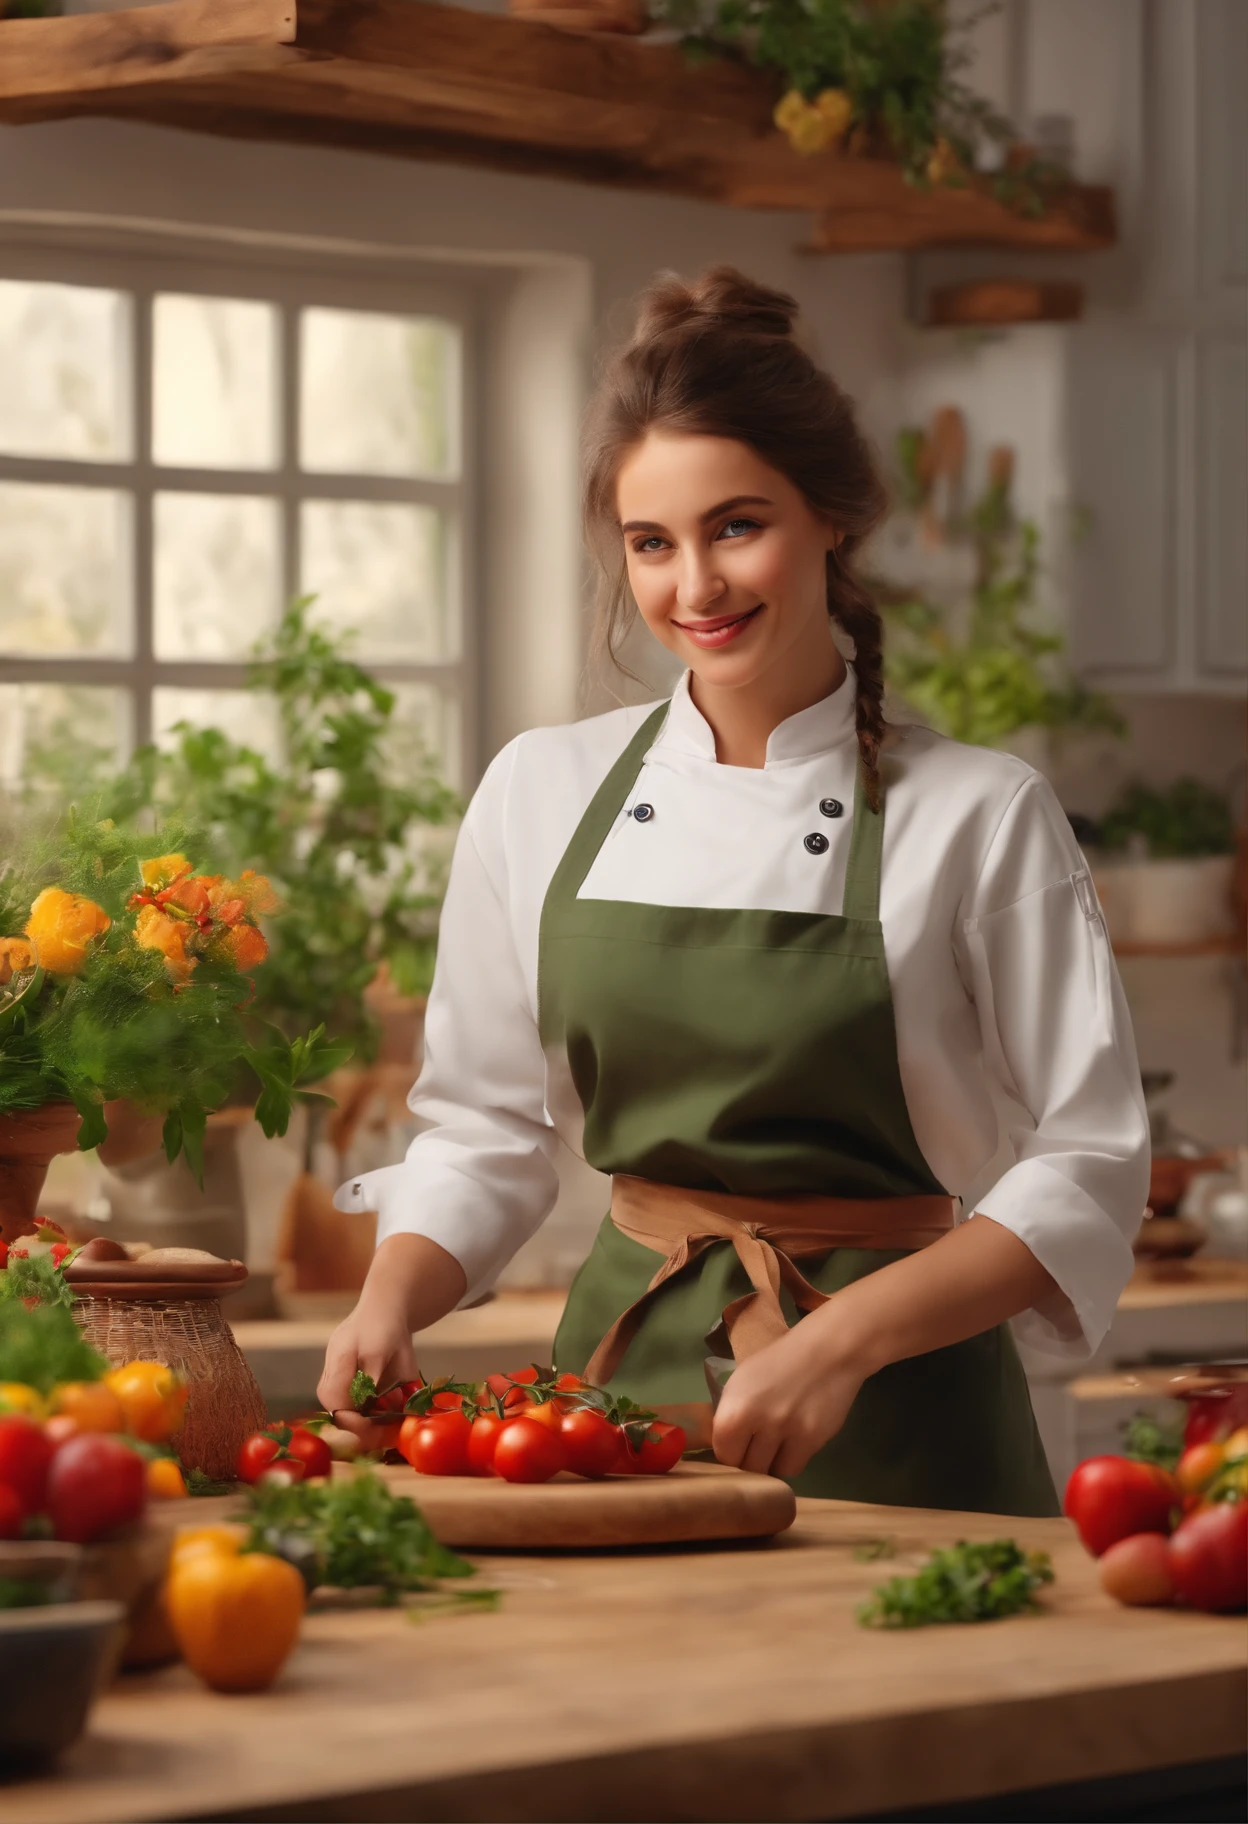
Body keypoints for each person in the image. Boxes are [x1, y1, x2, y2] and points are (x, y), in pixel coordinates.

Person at [318, 267, 1148, 1513]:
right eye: (653, 543)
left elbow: (1088, 1163)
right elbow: (487, 1128)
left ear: (832, 518)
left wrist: (839, 1341)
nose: (693, 587)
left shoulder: (979, 812)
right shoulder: (540, 791)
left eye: (736, 526)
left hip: (899, 1402)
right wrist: (389, 1298)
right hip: (608, 1409)